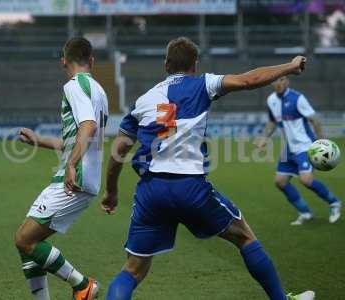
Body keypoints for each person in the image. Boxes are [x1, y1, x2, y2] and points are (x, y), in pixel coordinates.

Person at [101, 37, 315, 300]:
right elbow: (249, 80)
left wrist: (111, 192)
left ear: (166, 64)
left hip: (151, 192)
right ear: (195, 65)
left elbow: (117, 153)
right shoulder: (203, 83)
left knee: (132, 270)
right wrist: (289, 67)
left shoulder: (143, 101)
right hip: (190, 188)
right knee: (245, 237)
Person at [14, 37, 108, 300]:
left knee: (24, 239)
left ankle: (83, 286)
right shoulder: (98, 90)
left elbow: (87, 127)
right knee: (27, 243)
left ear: (63, 61)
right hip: (81, 176)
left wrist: (71, 164)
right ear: (91, 61)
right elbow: (79, 137)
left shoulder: (74, 86)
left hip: (73, 178)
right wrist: (39, 140)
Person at [257, 76, 341, 225]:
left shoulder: (298, 98)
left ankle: (334, 203)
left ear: (287, 81)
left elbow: (314, 119)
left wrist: (321, 141)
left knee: (306, 180)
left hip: (305, 146)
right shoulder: (271, 100)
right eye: (276, 80)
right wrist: (265, 137)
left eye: (282, 80)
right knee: (280, 182)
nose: (279, 83)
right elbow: (272, 121)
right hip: (288, 148)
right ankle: (305, 212)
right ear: (271, 82)